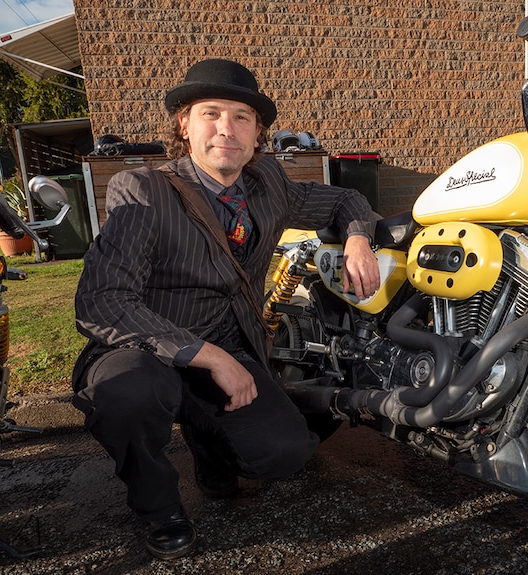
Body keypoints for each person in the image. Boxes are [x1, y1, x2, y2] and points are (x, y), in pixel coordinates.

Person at [71, 58, 380, 560]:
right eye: (210, 113)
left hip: (232, 342)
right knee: (129, 394)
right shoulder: (144, 191)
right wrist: (210, 356)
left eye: (241, 117)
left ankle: (209, 446)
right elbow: (102, 302)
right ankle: (159, 507)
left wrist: (359, 240)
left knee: (285, 453)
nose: (226, 129)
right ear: (184, 125)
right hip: (146, 347)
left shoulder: (268, 184)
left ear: (258, 134)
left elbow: (344, 198)